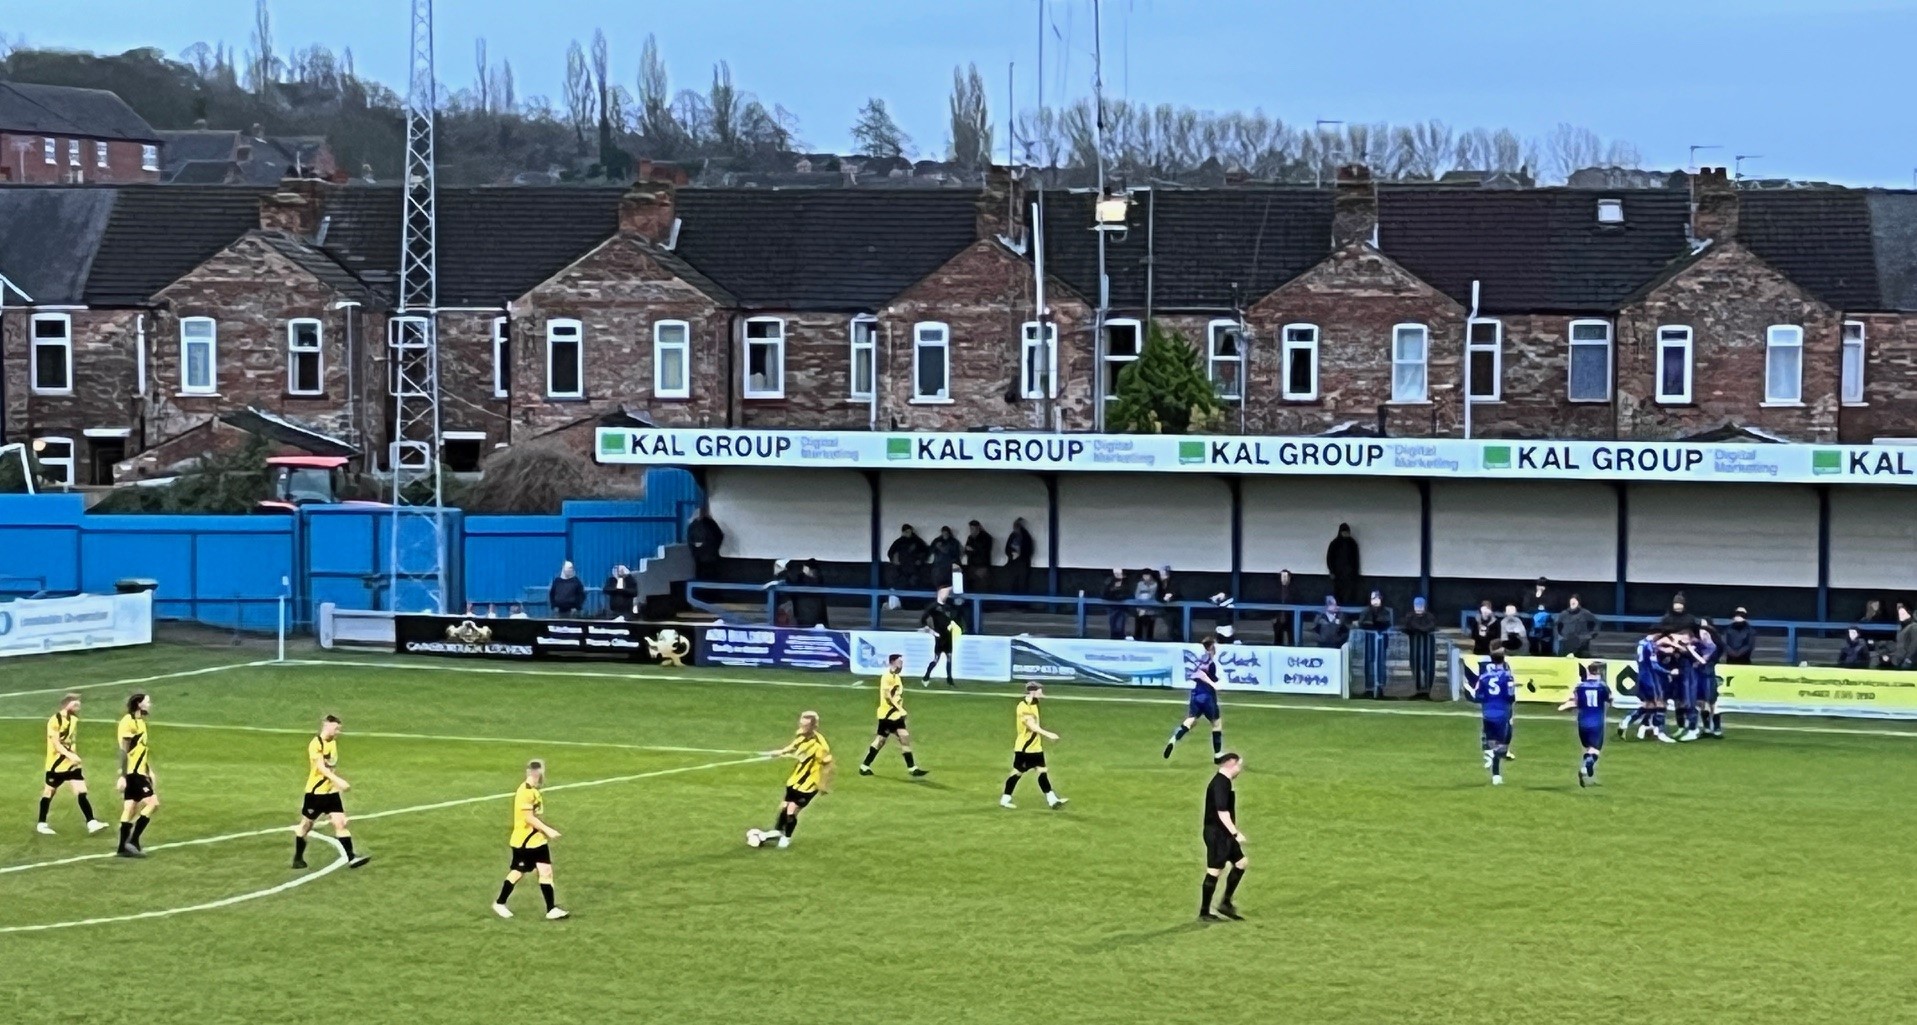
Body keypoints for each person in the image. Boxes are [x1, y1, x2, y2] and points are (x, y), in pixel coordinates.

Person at [293, 715, 372, 870]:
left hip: (331, 794)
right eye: (336, 728)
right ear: (326, 725)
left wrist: (335, 789)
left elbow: (331, 767)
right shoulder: (316, 744)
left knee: (340, 823)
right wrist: (339, 781)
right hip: (315, 794)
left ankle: (352, 858)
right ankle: (298, 858)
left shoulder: (333, 743)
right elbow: (321, 767)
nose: (338, 732)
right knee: (306, 826)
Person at [749, 711, 834, 850]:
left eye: (806, 726)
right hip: (795, 780)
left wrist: (823, 785)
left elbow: (828, 765)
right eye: (801, 724)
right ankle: (778, 831)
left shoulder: (820, 746)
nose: (802, 728)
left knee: (791, 810)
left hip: (809, 785)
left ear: (814, 727)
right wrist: (781, 752)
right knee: (784, 807)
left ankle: (786, 838)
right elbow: (794, 746)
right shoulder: (801, 735)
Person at [493, 759, 566, 919]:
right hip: (524, 841)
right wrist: (548, 829)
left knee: (546, 871)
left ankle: (551, 909)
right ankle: (500, 902)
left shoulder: (533, 790)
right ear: (536, 773)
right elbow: (528, 818)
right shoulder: (525, 792)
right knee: (518, 872)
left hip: (538, 840)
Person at [36, 693, 106, 836]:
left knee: (81, 791)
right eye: (75, 704)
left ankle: (91, 822)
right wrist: (70, 755)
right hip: (56, 765)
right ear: (66, 704)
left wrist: (72, 757)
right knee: (49, 792)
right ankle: (42, 824)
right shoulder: (54, 721)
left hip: (71, 765)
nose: (78, 707)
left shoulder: (73, 720)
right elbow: (56, 744)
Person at [1199, 752, 1249, 922]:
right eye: (1239, 766)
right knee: (1214, 871)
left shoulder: (1225, 782)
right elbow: (1222, 812)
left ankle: (1225, 903)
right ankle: (1204, 913)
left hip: (1224, 833)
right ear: (1231, 763)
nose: (1240, 770)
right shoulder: (1220, 784)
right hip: (1217, 834)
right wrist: (1235, 832)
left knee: (1241, 863)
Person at [859, 654, 928, 778]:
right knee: (880, 741)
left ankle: (912, 768)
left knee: (904, 737)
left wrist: (900, 710)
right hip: (887, 715)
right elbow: (887, 696)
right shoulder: (886, 677)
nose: (901, 664)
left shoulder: (897, 678)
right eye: (899, 662)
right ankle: (865, 766)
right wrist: (901, 709)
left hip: (896, 715)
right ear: (892, 662)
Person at [1000, 683, 1066, 809]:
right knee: (1017, 773)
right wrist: (1048, 734)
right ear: (1032, 692)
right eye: (1040, 692)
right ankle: (1005, 799)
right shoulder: (1023, 706)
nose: (1042, 695)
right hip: (1025, 748)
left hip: (1036, 747)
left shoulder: (1034, 704)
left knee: (1042, 771)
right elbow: (1031, 726)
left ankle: (1052, 800)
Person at [1462, 645, 1517, 785]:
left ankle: (1490, 754)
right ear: (1503, 659)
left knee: (1492, 740)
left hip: (1487, 712)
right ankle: (1496, 775)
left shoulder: (1484, 677)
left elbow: (1479, 697)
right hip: (1502, 712)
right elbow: (1511, 696)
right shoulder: (1507, 676)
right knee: (1501, 742)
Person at [1164, 635, 1225, 761]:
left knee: (1191, 720)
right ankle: (1217, 755)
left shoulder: (1200, 660)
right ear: (1212, 647)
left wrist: (1214, 680)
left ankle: (1174, 738)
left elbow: (1197, 674)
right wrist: (1213, 684)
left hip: (1196, 695)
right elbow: (1202, 674)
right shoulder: (1210, 662)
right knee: (1216, 723)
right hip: (1207, 697)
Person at [115, 692, 158, 858]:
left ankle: (122, 848)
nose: (150, 704)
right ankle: (132, 841)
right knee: (152, 803)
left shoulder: (140, 722)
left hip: (140, 771)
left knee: (130, 808)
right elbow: (124, 750)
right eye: (147, 701)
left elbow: (139, 750)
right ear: (139, 704)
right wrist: (123, 775)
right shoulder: (128, 722)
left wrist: (148, 770)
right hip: (133, 773)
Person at [1556, 661, 1611, 788]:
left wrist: (1565, 707)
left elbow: (1574, 702)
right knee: (1595, 750)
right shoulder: (1602, 686)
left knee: (1588, 748)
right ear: (1598, 672)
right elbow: (1611, 700)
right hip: (1596, 721)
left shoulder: (1579, 687)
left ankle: (1589, 769)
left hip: (1582, 721)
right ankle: (1585, 769)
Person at [919, 586, 963, 687]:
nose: (946, 595)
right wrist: (931, 631)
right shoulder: (933, 607)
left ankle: (950, 680)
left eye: (947, 593)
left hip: (948, 636)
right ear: (939, 593)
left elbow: (955, 618)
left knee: (949, 658)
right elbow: (923, 620)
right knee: (936, 659)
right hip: (939, 636)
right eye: (944, 592)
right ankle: (926, 677)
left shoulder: (948, 607)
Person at [1355, 590, 1392, 698]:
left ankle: (1381, 687)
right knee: (1368, 663)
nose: (1375, 601)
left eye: (1377, 598)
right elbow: (1362, 623)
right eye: (1373, 599)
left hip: (1381, 642)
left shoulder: (1385, 612)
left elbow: (1385, 623)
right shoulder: (1366, 612)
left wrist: (1375, 624)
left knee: (1381, 663)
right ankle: (1369, 687)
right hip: (1369, 642)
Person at [1402, 597, 1439, 699]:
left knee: (1428, 667)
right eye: (1416, 606)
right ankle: (1419, 690)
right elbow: (1407, 627)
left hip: (1428, 647)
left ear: (1424, 606)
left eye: (1421, 606)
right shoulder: (1410, 616)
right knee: (1415, 666)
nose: (1418, 608)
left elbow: (1431, 626)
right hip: (1415, 647)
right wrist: (1421, 629)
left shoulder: (1430, 617)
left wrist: (1417, 629)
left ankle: (1427, 691)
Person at [1326, 523, 1362, 607]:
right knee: (1338, 594)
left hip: (1350, 574)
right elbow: (1329, 558)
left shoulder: (1352, 543)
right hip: (1338, 574)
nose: (1346, 534)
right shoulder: (1334, 544)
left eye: (1347, 532)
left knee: (1350, 595)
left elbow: (1356, 559)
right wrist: (1331, 571)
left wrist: (1356, 572)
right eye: (1344, 532)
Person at [686, 506, 725, 582]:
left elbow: (690, 541)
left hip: (701, 558)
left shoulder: (693, 525)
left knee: (702, 578)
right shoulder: (710, 524)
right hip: (710, 558)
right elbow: (720, 536)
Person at [887, 525, 928, 592]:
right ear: (903, 532)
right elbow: (890, 552)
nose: (908, 533)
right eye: (906, 532)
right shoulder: (899, 542)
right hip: (901, 568)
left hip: (914, 568)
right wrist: (894, 560)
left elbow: (925, 551)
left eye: (909, 531)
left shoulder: (917, 541)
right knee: (901, 586)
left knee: (914, 586)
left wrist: (921, 560)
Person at [1004, 518, 1036, 600]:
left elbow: (1029, 550)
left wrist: (1020, 554)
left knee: (1023, 585)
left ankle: (1022, 605)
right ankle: (1012, 604)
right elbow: (1007, 549)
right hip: (1013, 563)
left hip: (1022, 564)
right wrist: (1011, 555)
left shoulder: (1026, 537)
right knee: (1012, 584)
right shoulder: (1012, 536)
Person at [962, 520, 994, 595]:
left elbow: (984, 551)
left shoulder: (986, 537)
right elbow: (967, 550)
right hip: (972, 565)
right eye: (971, 529)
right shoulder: (970, 538)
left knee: (981, 588)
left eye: (973, 529)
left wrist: (973, 550)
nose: (971, 531)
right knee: (972, 587)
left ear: (978, 528)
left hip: (981, 566)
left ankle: (983, 605)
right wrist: (970, 550)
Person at [1133, 569, 1164, 641]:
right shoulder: (1140, 584)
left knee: (1150, 629)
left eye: (1147, 575)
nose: (1145, 577)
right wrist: (1140, 608)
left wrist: (1145, 609)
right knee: (1138, 628)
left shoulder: (1155, 584)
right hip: (1140, 610)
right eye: (1144, 575)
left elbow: (1152, 596)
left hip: (1151, 610)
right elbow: (1137, 595)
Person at [928, 526, 962, 590]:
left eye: (946, 533)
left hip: (949, 568)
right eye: (944, 532)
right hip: (938, 567)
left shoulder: (953, 542)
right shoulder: (937, 541)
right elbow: (930, 550)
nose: (945, 534)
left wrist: (940, 547)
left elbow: (955, 554)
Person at [1102, 568, 1131, 640]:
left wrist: (1120, 596)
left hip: (1122, 607)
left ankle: (1120, 638)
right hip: (1112, 607)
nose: (1117, 575)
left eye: (1119, 574)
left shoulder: (1126, 583)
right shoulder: (1109, 582)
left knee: (1120, 625)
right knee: (1113, 624)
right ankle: (1113, 638)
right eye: (1116, 574)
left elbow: (1127, 593)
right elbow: (1104, 593)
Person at [1271, 569, 1296, 646]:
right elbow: (1271, 603)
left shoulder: (1294, 590)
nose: (1284, 578)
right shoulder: (1275, 590)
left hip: (1290, 617)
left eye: (1286, 577)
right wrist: (1273, 616)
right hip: (1278, 617)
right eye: (1283, 577)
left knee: (1291, 637)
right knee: (1278, 637)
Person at [1896, 605, 1917, 670]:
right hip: (1900, 659)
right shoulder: (1900, 627)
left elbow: (1915, 644)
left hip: (1908, 660)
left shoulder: (1914, 627)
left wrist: (1908, 658)